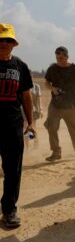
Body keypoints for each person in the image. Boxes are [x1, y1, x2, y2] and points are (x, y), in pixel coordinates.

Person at [0, 23, 35, 228]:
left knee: (13, 171)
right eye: (0, 40)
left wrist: (31, 123)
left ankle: (9, 210)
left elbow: (26, 95)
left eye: (7, 40)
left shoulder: (20, 66)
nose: (3, 44)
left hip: (13, 125)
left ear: (14, 44)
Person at [44, 46, 75, 161]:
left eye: (61, 58)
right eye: (57, 58)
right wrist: (52, 88)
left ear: (67, 56)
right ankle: (56, 152)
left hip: (71, 106)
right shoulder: (52, 68)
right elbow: (46, 83)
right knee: (51, 127)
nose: (59, 60)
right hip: (55, 105)